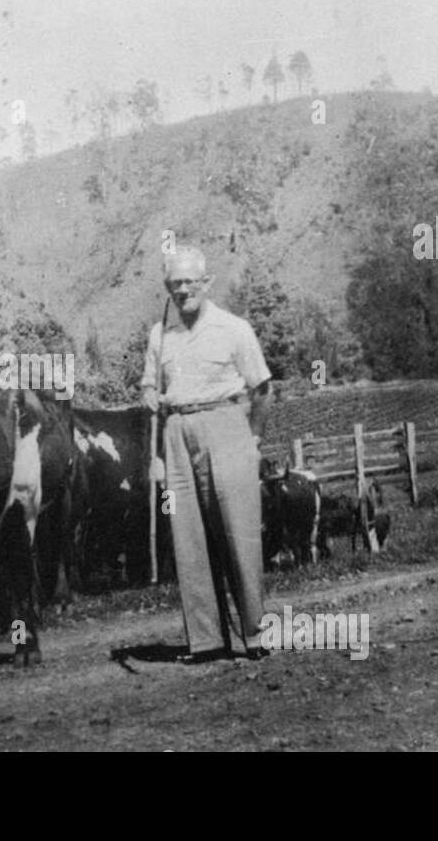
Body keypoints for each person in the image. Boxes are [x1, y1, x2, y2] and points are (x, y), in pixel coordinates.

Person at [141, 244, 272, 663]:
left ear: (206, 283)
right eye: (174, 284)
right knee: (189, 539)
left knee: (239, 535)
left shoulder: (235, 329)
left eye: (189, 282)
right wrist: (148, 395)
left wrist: (251, 439)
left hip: (228, 427)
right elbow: (149, 384)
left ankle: (255, 635)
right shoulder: (160, 336)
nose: (182, 291)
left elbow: (262, 390)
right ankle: (207, 640)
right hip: (177, 433)